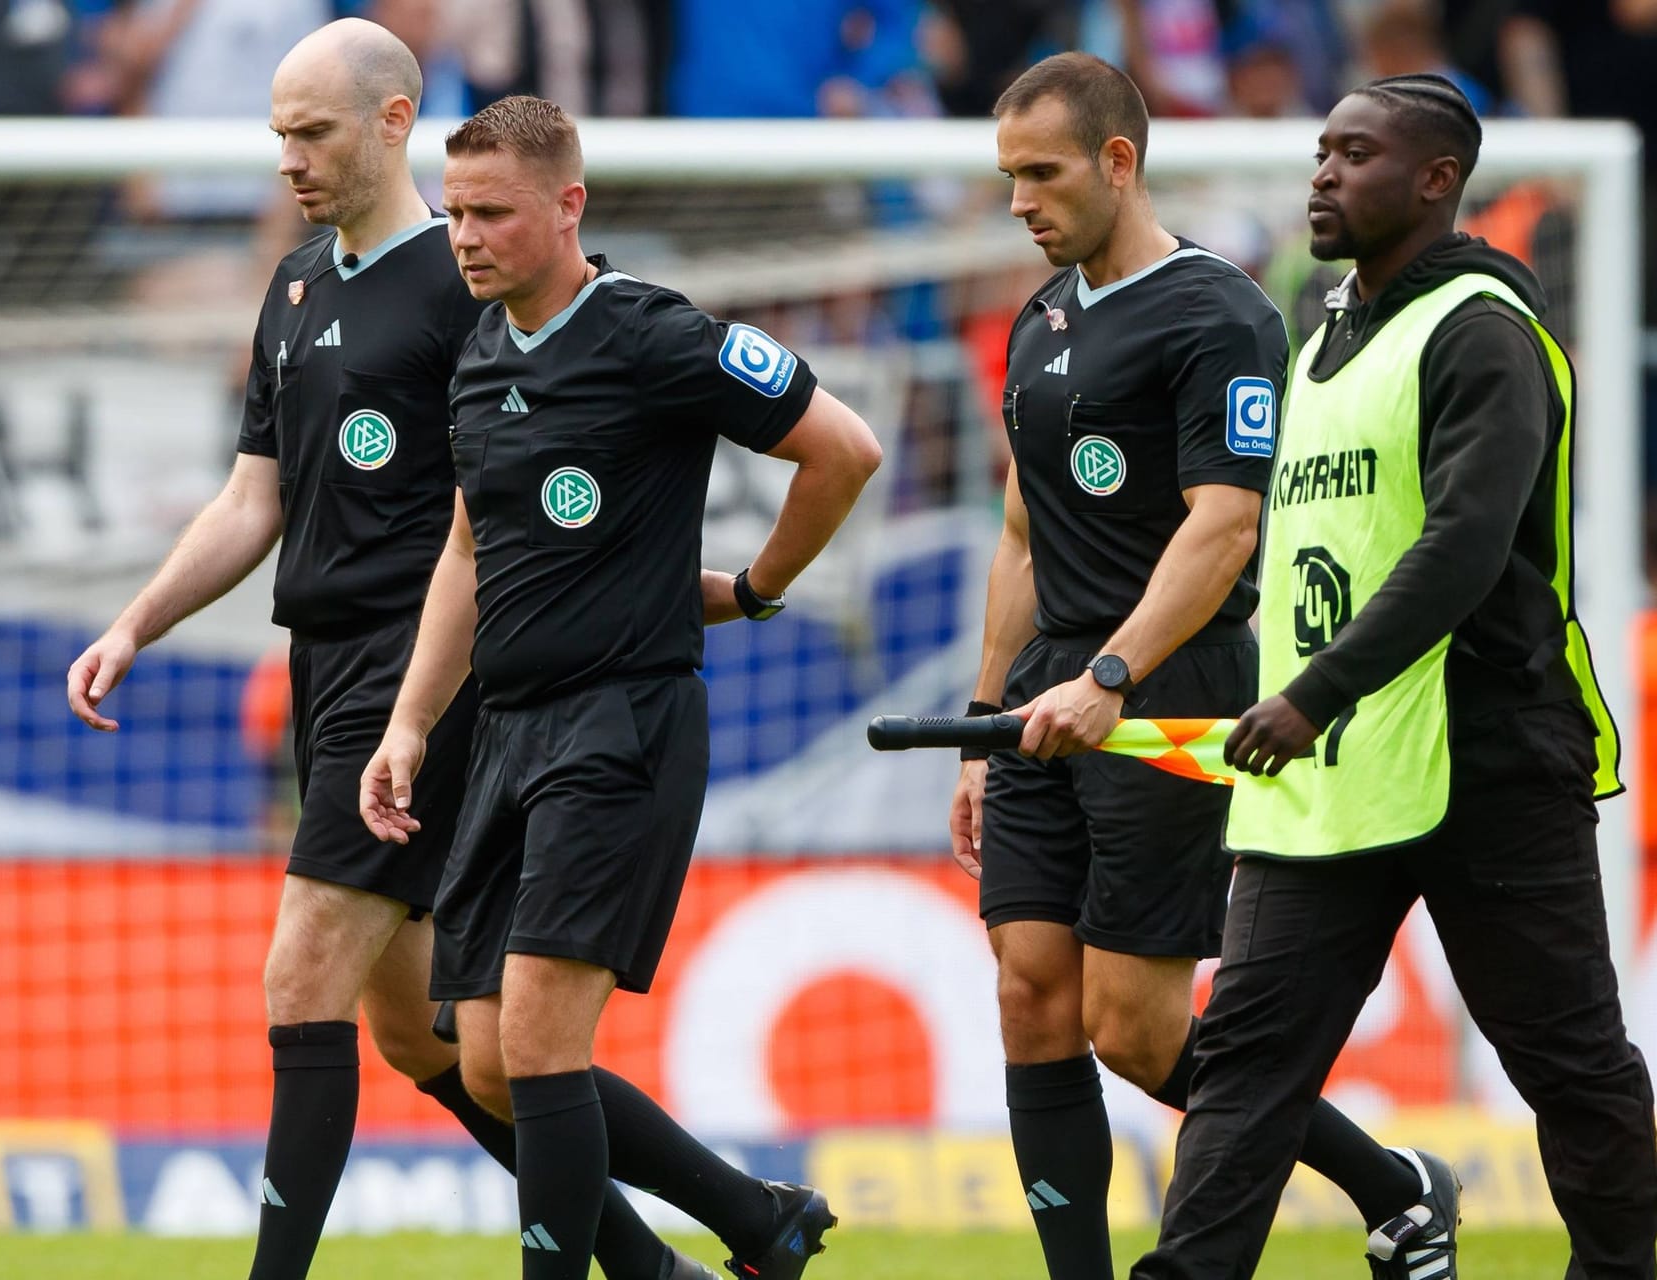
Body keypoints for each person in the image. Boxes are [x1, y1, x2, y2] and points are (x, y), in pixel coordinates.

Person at [65, 24, 703, 1280]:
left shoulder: (461, 288)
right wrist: (136, 620)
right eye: (279, 136)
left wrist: (684, 586)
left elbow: (524, 497)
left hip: (417, 670)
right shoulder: (298, 283)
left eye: (313, 132)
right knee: (430, 1039)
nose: (290, 160)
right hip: (321, 667)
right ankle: (723, 1227)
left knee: (299, 976)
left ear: (396, 120)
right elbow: (254, 499)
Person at [1132, 73, 1657, 1280]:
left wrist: (1315, 689)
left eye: (1354, 153)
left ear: (1434, 180)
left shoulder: (1482, 329)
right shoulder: (1317, 337)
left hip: (1488, 757)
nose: (1322, 172)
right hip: (1334, 772)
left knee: (1569, 1060)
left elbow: (1463, 547)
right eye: (1321, 150)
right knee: (1250, 1060)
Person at [358, 95, 881, 1280]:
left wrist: (753, 588)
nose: (466, 237)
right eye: (454, 214)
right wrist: (410, 719)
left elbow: (842, 447)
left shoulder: (652, 333)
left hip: (623, 721)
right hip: (504, 733)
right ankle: (757, 1220)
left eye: (493, 213)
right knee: (486, 1059)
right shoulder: (479, 357)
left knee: (539, 1041)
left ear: (568, 205)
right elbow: (466, 554)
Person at [950, 52, 1449, 1279]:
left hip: (1163, 684)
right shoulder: (1042, 314)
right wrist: (983, 717)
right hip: (1042, 691)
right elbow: (1023, 526)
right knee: (1029, 989)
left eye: (1043, 172)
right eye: (1008, 173)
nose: (1020, 198)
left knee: (1132, 1029)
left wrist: (1109, 676)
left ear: (1120, 161)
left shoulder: (1219, 312)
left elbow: (1225, 524)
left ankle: (1391, 1181)